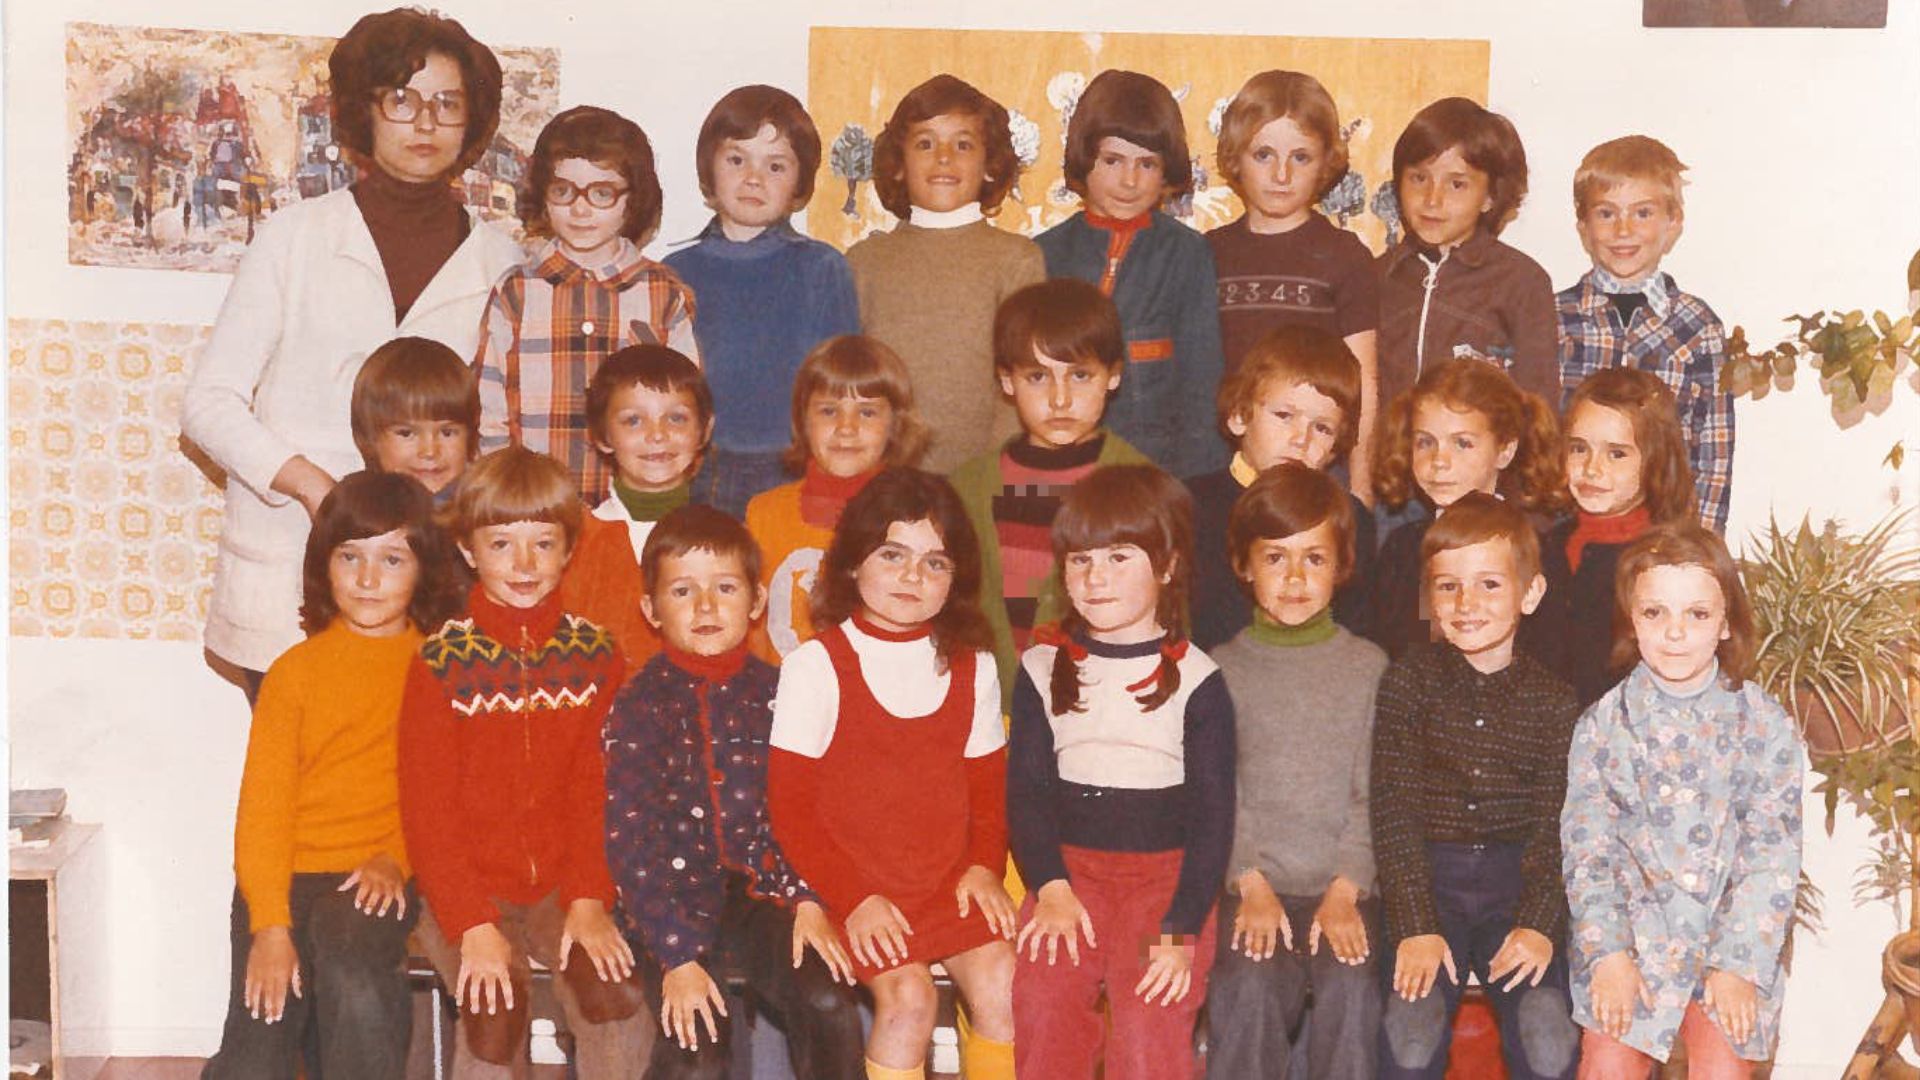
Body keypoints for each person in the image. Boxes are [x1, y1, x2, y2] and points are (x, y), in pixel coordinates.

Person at [182, 7, 522, 696]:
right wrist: (315, 489)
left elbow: (499, 432)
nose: (424, 123)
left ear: (472, 122)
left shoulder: (504, 263)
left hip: (431, 583)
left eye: (447, 103)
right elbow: (208, 405)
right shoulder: (292, 237)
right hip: (288, 564)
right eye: (401, 99)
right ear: (364, 111)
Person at [399, 447, 649, 1078]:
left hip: (563, 885)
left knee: (614, 999)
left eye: (543, 544)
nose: (525, 564)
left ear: (569, 550)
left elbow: (599, 788)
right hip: (467, 889)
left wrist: (589, 898)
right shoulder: (441, 662)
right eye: (502, 544)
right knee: (494, 1013)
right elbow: (429, 811)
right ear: (468, 550)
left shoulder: (596, 657)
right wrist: (472, 924)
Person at [203, 471, 461, 1080]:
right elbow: (264, 810)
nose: (368, 579)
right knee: (256, 1051)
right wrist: (270, 926)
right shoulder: (294, 673)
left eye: (391, 559)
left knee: (350, 958)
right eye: (351, 557)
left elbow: (444, 795)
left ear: (424, 568)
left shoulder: (438, 668)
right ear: (324, 564)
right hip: (284, 879)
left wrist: (395, 859)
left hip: (378, 871)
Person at [768, 469, 1018, 1080]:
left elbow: (988, 794)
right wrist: (854, 899)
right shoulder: (814, 666)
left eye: (936, 563)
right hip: (855, 886)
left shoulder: (974, 667)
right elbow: (790, 810)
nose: (913, 576)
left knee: (1004, 980)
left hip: (946, 882)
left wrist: (984, 865)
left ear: (956, 579)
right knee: (909, 999)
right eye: (893, 555)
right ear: (854, 562)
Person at [602, 505, 865, 1078]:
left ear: (756, 600)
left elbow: (809, 810)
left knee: (827, 999)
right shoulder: (638, 705)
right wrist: (676, 956)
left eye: (724, 588)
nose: (705, 607)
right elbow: (630, 841)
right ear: (650, 609)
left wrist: (808, 900)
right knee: (696, 1047)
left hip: (765, 896)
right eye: (682, 591)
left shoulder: (782, 694)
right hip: (667, 903)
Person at [1007, 464, 1234, 1080]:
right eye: (1080, 560)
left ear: (1167, 566)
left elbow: (1213, 822)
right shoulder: (1040, 669)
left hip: (1164, 884)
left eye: (1118, 557)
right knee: (1045, 1005)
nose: (1095, 577)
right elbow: (1027, 794)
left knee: (1147, 1027)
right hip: (1068, 877)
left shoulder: (1199, 680)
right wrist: (1050, 886)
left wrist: (1181, 930)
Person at [1562, 523, 1803, 1079]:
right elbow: (1588, 854)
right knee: (1607, 1065)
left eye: (1696, 614)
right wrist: (1609, 955)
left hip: (1727, 946)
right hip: (1632, 947)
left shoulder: (1764, 725)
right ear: (1632, 619)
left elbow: (1771, 856)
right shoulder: (1602, 726)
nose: (1674, 633)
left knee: (1722, 1064)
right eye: (1655, 613)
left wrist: (1738, 965)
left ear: (1725, 623)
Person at [1369, 493, 1581, 1080]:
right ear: (1428, 597)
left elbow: (1557, 826)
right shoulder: (1408, 683)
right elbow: (1393, 812)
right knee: (1410, 1035)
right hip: (1428, 882)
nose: (1466, 603)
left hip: (1517, 887)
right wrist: (1414, 924)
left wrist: (1539, 923)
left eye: (1489, 584)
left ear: (1529, 594)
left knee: (1548, 1036)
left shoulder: (1555, 703)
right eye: (1448, 586)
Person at [1205, 463, 1387, 1080]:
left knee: (1352, 986)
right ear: (1244, 564)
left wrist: (1347, 887)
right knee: (1247, 985)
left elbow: (1374, 791)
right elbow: (1219, 791)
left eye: (1314, 559)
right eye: (1275, 557)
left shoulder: (1368, 668)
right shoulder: (1220, 669)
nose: (1294, 578)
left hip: (1344, 888)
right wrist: (1248, 881)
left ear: (1341, 567)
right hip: (1253, 887)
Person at [475, 105, 699, 502]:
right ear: (543, 195)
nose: (580, 209)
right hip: (539, 508)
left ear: (633, 200)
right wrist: (504, 491)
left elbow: (686, 408)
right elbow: (489, 410)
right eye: (563, 191)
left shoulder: (662, 294)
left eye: (602, 193)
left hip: (635, 505)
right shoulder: (516, 292)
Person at [666, 85, 861, 516]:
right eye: (737, 160)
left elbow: (841, 385)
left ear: (799, 183)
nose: (754, 178)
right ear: (709, 167)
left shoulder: (822, 269)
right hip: (697, 469)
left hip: (793, 467)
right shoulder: (674, 273)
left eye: (775, 166)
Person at [949, 278, 1147, 698]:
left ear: (1113, 376)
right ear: (1007, 381)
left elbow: (1170, 624)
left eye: (1080, 375)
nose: (1060, 399)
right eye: (1038, 377)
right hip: (990, 712)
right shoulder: (964, 491)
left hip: (1103, 714)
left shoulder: (1146, 488)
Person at [847, 74, 1046, 472]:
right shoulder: (864, 261)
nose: (943, 157)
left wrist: (990, 475)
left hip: (985, 477)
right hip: (885, 476)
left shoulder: (1016, 259)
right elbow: (847, 382)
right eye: (925, 143)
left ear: (989, 165)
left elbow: (1025, 378)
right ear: (898, 165)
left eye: (963, 144)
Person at [1036, 70, 1228, 478]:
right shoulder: (1043, 255)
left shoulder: (1187, 254)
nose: (1129, 181)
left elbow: (1202, 383)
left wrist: (1196, 483)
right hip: (1062, 468)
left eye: (1147, 164)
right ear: (1084, 157)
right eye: (1112, 161)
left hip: (1158, 474)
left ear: (1166, 171)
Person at [1207, 69, 1381, 494]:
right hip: (1228, 469)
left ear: (1325, 163)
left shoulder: (1345, 256)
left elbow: (1364, 385)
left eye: (1300, 157)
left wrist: (1360, 489)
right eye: (1263, 155)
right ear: (1235, 158)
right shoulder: (1207, 253)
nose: (1281, 174)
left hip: (1316, 470)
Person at [1556, 135, 1734, 533]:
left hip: (1661, 537)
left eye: (1642, 213)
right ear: (1583, 227)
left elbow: (1713, 456)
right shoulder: (1556, 319)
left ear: (1673, 224)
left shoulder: (1698, 327)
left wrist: (1699, 547)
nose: (1623, 230)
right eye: (1606, 213)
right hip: (1569, 534)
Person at [745, 335, 929, 661]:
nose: (846, 428)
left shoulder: (916, 520)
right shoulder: (764, 515)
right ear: (803, 420)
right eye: (829, 411)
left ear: (895, 425)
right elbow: (750, 632)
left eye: (867, 413)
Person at [1367, 357, 1565, 659]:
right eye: (1425, 442)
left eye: (1462, 443)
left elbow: (1551, 659)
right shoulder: (1401, 549)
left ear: (1505, 450)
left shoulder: (1536, 551)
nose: (1439, 461)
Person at [1191, 325, 1375, 649]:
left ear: (1336, 447)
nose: (1301, 439)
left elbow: (1355, 637)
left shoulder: (1352, 518)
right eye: (1285, 415)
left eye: (1322, 428)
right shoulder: (1187, 506)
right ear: (1239, 416)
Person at [1375, 97, 1558, 417]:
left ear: (1490, 197)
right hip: (1390, 449)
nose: (1432, 200)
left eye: (1457, 184)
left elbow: (1539, 406)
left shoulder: (1522, 282)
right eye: (1419, 178)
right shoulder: (1376, 277)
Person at [1536, 367, 1697, 706]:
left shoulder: (1667, 563)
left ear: (1655, 460)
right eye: (1579, 448)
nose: (1592, 468)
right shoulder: (1546, 547)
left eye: (1617, 453)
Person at [558, 344, 713, 677]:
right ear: (602, 436)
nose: (657, 435)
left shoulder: (728, 541)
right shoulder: (576, 544)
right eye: (633, 421)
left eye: (676, 418)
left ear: (704, 430)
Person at [350, 336, 478, 504]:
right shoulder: (358, 508)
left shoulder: (485, 509)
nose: (429, 451)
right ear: (370, 437)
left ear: (470, 437)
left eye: (447, 433)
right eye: (407, 433)